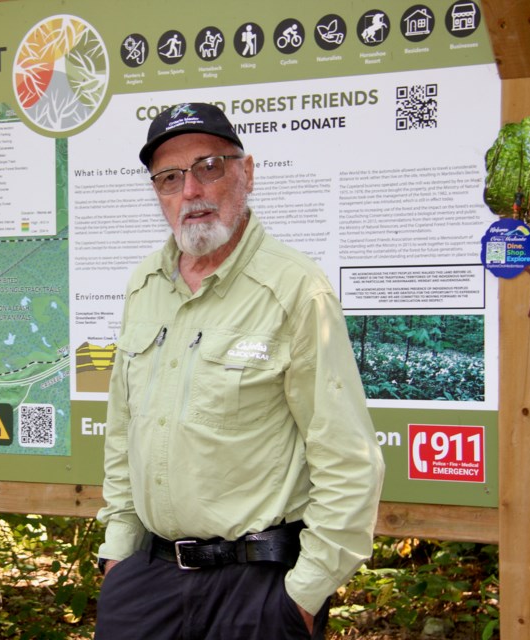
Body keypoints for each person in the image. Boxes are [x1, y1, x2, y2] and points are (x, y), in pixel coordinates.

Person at [95, 103, 385, 639]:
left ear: (245, 172)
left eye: (209, 167)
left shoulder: (296, 289)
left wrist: (302, 596)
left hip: (255, 592)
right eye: (170, 177)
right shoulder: (144, 286)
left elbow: (348, 460)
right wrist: (117, 557)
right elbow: (122, 434)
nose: (191, 191)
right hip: (146, 584)